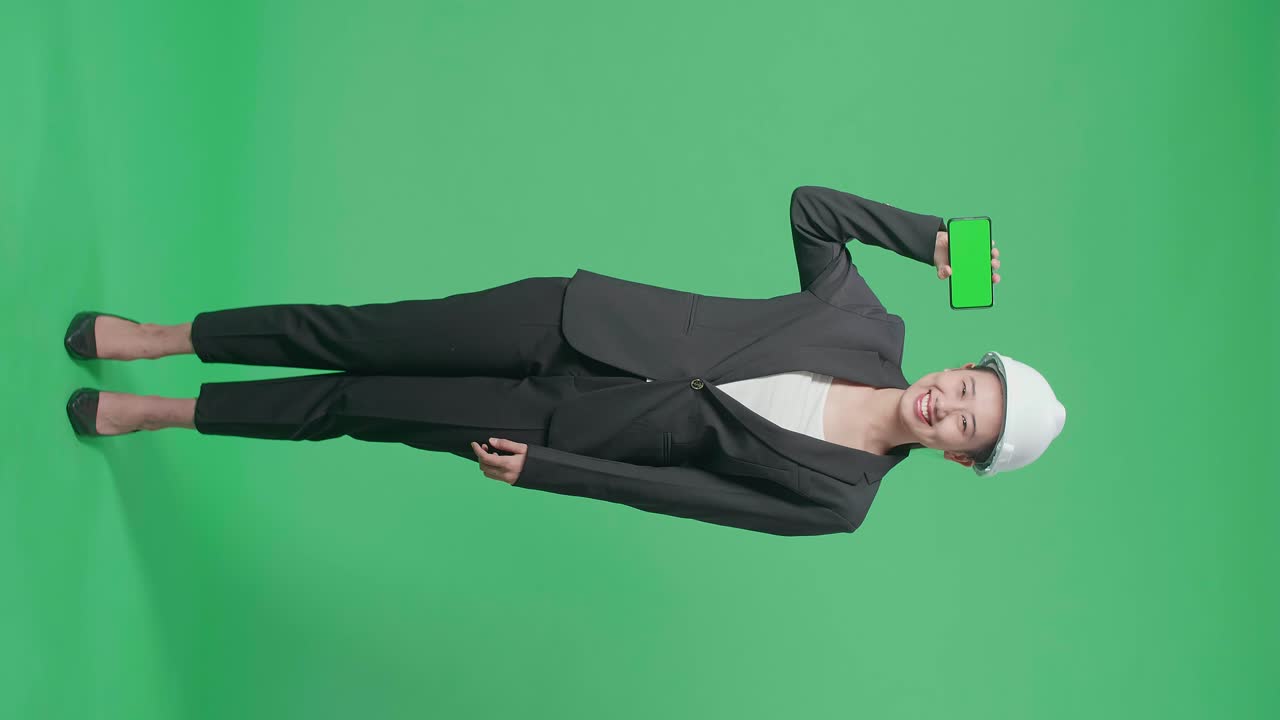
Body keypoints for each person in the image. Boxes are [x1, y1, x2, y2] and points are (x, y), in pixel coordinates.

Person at [64, 185, 1066, 537]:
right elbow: (812, 209)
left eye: (966, 425)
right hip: (570, 321)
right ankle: (162, 337)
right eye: (965, 386)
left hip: (562, 431)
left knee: (356, 406)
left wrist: (549, 472)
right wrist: (928, 237)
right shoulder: (864, 323)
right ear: (957, 366)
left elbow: (686, 496)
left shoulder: (839, 500)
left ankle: (164, 412)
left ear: (957, 457)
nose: (946, 404)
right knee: (360, 333)